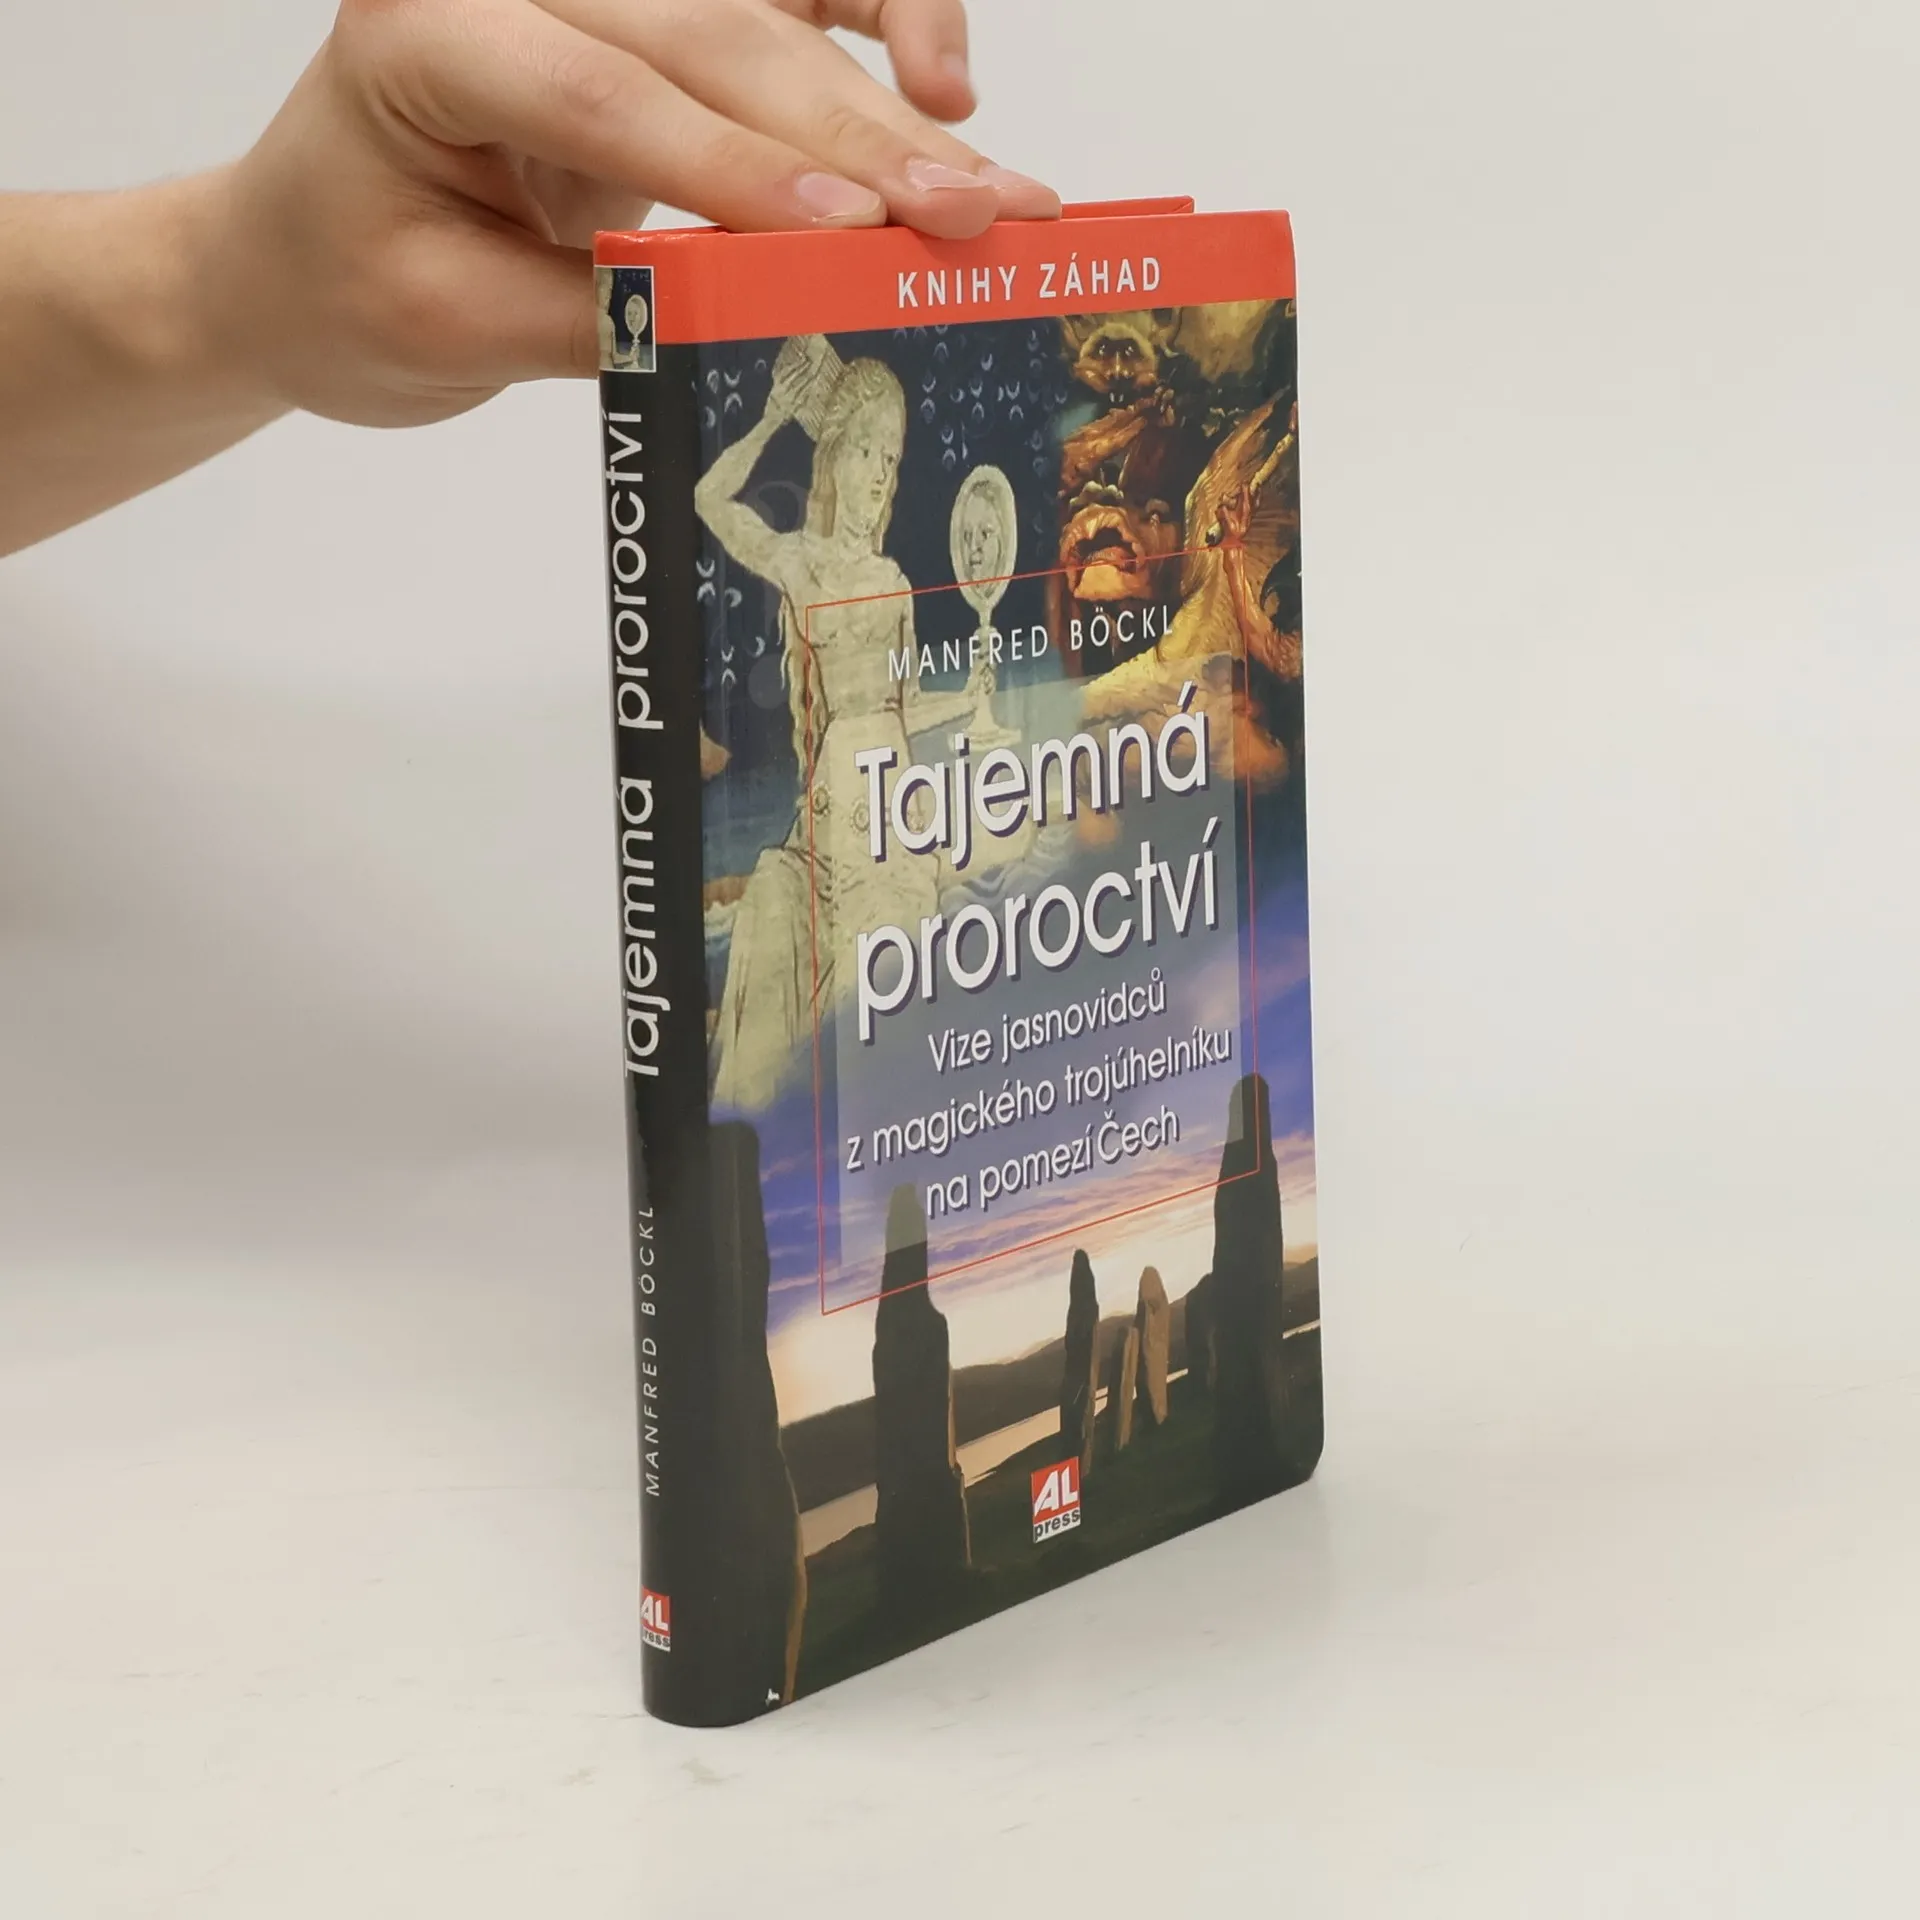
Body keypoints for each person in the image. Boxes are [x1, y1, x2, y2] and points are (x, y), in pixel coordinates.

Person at [0, 0, 1057, 560]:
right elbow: (714, 502)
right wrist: (226, 291)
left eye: (887, 460)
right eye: (868, 453)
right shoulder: (816, 565)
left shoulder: (893, 581)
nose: (877, 480)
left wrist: (224, 295)